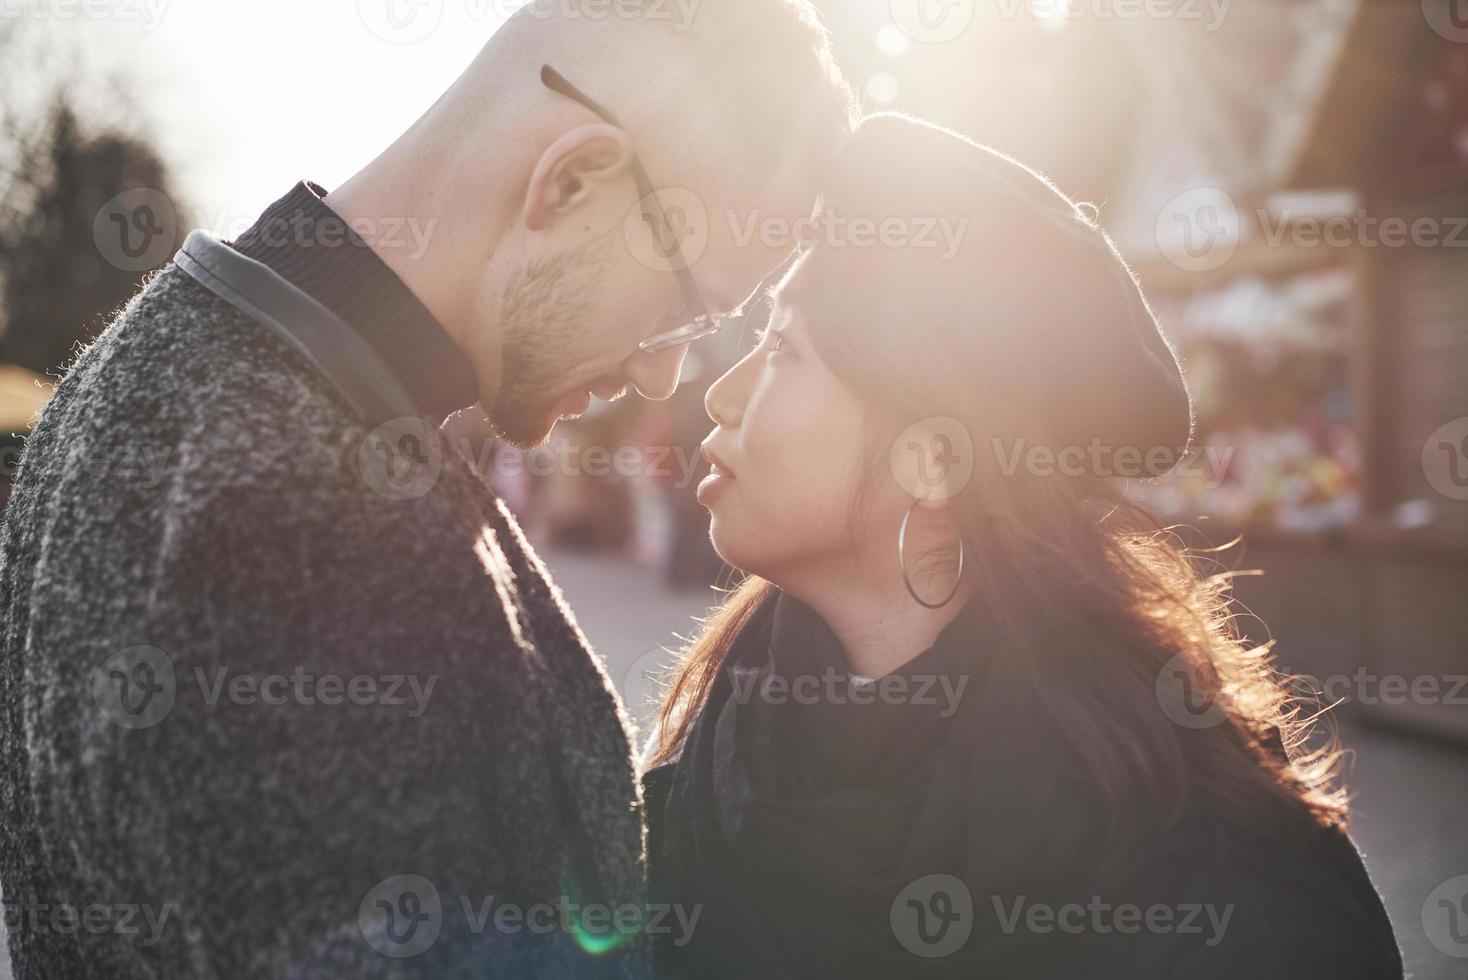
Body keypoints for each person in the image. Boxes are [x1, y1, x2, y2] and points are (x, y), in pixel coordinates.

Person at [0, 3, 854, 978]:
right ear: (572, 180)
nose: (668, 376)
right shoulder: (298, 514)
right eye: (686, 309)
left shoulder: (163, 369)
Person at [642, 114, 1403, 979]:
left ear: (933, 460)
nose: (721, 398)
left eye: (782, 349)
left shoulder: (1215, 878)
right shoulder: (721, 744)